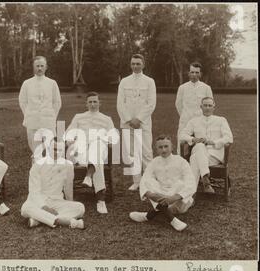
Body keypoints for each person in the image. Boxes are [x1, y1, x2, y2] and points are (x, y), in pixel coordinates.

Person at [65, 92, 119, 214]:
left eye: (95, 101)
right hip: (82, 150)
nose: (93, 104)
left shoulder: (106, 119)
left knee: (97, 145)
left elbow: (113, 137)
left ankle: (89, 176)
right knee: (97, 160)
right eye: (90, 102)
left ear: (100, 103)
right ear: (86, 104)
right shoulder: (78, 117)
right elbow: (69, 133)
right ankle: (101, 201)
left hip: (100, 147)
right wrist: (70, 140)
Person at [129, 135, 196, 232]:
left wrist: (173, 197)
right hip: (160, 197)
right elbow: (145, 180)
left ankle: (148, 215)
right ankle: (172, 219)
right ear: (156, 149)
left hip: (179, 202)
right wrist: (151, 195)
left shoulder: (182, 161)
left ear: (172, 147)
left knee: (180, 183)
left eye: (166, 146)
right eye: (160, 147)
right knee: (148, 181)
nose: (163, 150)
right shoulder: (154, 162)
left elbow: (191, 183)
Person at [21, 139, 85, 229]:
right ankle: (65, 221)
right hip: (39, 201)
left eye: (60, 150)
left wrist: (69, 202)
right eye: (54, 149)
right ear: (48, 148)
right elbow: (34, 191)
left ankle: (38, 220)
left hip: (57, 201)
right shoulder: (38, 165)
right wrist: (45, 208)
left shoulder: (68, 165)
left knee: (80, 208)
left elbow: (68, 187)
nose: (57, 153)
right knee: (25, 208)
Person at [117, 53, 156, 191]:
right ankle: (137, 181)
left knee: (146, 152)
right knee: (132, 153)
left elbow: (151, 103)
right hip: (128, 123)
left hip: (143, 122)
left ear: (143, 64)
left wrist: (138, 119)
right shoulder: (124, 81)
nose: (135, 66)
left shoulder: (149, 81)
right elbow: (120, 104)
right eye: (133, 63)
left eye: (138, 63)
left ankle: (150, 182)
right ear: (130, 64)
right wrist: (129, 119)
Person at [180, 97, 233, 193]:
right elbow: (182, 135)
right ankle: (206, 180)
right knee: (200, 146)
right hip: (199, 150)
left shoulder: (221, 120)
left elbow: (229, 137)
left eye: (210, 105)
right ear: (201, 107)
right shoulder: (194, 121)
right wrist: (193, 139)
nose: (207, 108)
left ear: (214, 107)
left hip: (214, 155)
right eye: (205, 105)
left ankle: (189, 193)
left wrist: (212, 142)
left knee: (194, 159)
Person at [19, 56, 62, 154]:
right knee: (36, 150)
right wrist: (29, 114)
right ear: (33, 67)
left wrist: (51, 116)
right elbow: (22, 101)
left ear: (46, 67)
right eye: (37, 66)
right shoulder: (27, 83)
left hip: (48, 122)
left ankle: (50, 168)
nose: (39, 68)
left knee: (51, 149)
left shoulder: (52, 83)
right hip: (32, 122)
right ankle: (36, 166)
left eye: (42, 66)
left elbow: (57, 102)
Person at [175, 62, 213, 154]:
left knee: (200, 146)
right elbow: (178, 104)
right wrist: (184, 115)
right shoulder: (182, 87)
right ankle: (181, 165)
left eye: (196, 72)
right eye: (192, 72)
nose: (194, 75)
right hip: (185, 120)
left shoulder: (206, 88)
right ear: (188, 73)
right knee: (181, 144)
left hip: (200, 121)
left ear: (200, 74)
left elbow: (210, 104)